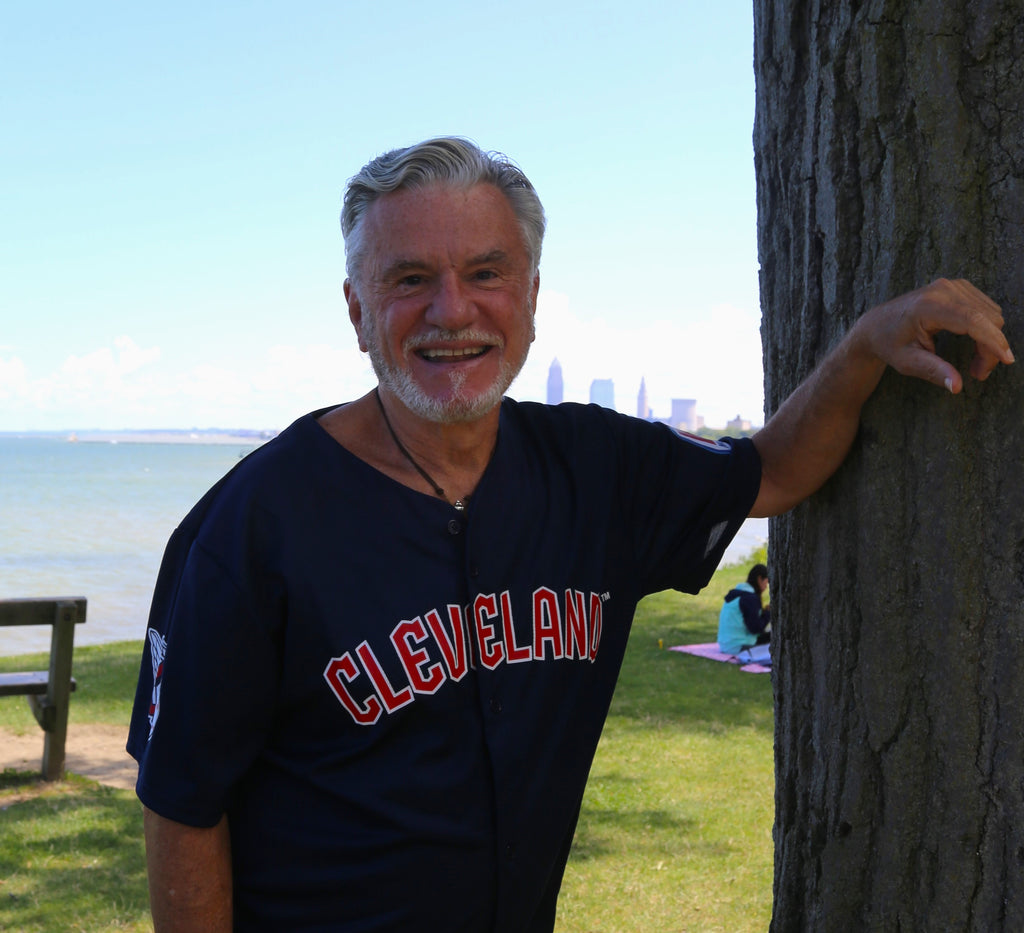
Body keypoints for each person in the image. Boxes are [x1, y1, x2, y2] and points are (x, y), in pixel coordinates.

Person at [127, 136, 1014, 933]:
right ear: (357, 310)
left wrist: (861, 349)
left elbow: (774, 469)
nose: (452, 310)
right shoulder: (250, 528)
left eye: (486, 272)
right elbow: (182, 806)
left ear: (531, 297)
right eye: (409, 279)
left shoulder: (598, 469)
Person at [717, 562, 771, 655]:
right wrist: (768, 613)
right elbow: (755, 628)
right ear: (759, 579)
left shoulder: (738, 594)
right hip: (739, 646)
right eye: (766, 583)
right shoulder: (750, 599)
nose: (766, 587)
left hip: (726, 645)